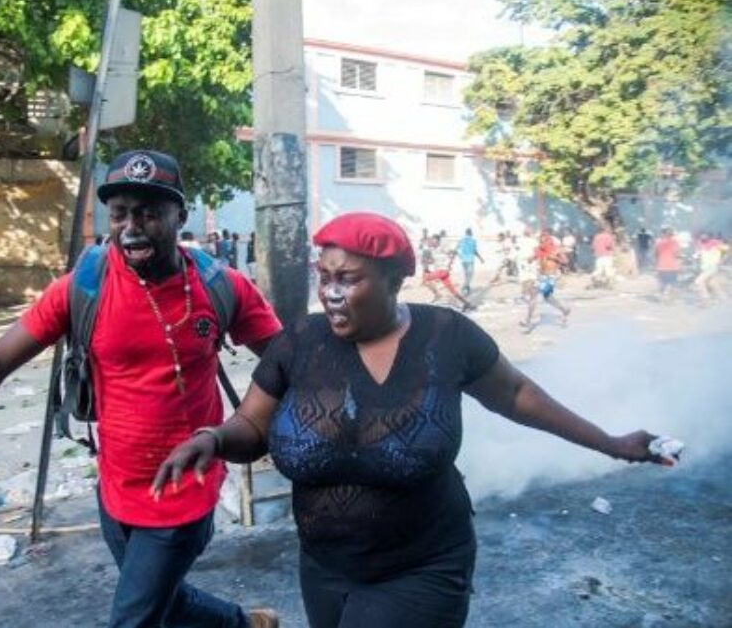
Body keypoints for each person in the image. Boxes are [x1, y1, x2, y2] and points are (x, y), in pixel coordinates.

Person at [153, 212, 668, 628]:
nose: (330, 292)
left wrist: (612, 443)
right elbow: (253, 426)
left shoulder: (448, 336)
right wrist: (214, 438)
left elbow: (516, 394)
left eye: (349, 279)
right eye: (324, 277)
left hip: (422, 565)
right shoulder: (298, 343)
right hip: (325, 568)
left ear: (394, 280)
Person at [0, 150, 282, 628]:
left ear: (179, 216)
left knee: (133, 618)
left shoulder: (220, 286)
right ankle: (248, 625)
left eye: (148, 213)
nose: (131, 227)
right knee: (159, 601)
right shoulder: (84, 287)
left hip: (188, 487)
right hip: (115, 486)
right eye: (120, 213)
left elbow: (287, 359)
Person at [521, 231, 571, 332]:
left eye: (544, 239)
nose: (541, 241)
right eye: (540, 239)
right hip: (541, 276)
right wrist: (530, 259)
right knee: (548, 298)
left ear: (548, 239)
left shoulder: (556, 249)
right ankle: (564, 310)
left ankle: (528, 322)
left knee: (533, 295)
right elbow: (535, 257)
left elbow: (566, 261)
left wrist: (555, 258)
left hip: (550, 277)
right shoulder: (539, 249)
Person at [421, 235, 473, 311]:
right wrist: (427, 261)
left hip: (442, 271)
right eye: (433, 241)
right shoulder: (433, 250)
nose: (433, 242)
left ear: (438, 241)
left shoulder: (442, 247)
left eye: (435, 241)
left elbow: (451, 252)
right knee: (452, 290)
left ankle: (437, 295)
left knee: (425, 279)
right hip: (442, 272)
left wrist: (451, 258)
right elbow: (433, 261)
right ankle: (466, 303)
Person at [653, 227, 681, 301]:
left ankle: (662, 296)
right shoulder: (675, 242)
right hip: (672, 267)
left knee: (662, 282)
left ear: (663, 234)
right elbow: (677, 254)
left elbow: (656, 254)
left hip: (661, 266)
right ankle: (670, 297)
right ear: (671, 234)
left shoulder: (658, 243)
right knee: (672, 283)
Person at [455, 228, 484, 295]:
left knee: (466, 275)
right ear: (471, 233)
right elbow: (474, 251)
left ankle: (467, 288)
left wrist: (460, 256)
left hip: (463, 260)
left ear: (465, 232)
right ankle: (464, 287)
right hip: (470, 260)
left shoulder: (461, 240)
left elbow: (456, 249)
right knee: (470, 275)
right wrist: (480, 258)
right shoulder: (473, 240)